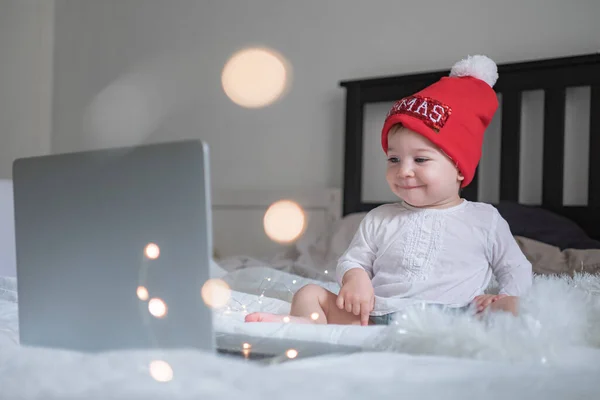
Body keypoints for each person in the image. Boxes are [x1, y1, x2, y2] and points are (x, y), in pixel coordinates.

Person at [246, 55, 532, 326]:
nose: (404, 170)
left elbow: (515, 268)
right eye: (394, 159)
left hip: (456, 319)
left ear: (459, 168)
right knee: (309, 294)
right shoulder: (379, 218)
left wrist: (503, 297)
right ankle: (307, 329)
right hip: (375, 315)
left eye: (420, 159)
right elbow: (353, 259)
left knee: (516, 309)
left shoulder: (484, 219)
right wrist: (355, 278)